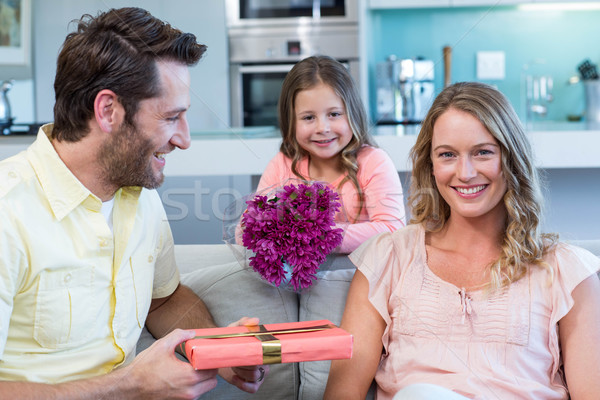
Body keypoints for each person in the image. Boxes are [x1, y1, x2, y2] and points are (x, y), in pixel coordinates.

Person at [0, 7, 268, 399]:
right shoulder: (10, 211)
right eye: (171, 117)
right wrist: (127, 385)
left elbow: (163, 300)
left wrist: (216, 350)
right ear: (108, 110)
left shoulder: (139, 195)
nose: (184, 139)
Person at [324, 82, 600, 400]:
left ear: (510, 160)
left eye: (482, 152)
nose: (465, 173)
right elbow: (342, 393)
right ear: (431, 166)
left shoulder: (567, 272)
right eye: (448, 155)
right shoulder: (388, 258)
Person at [256, 55, 405, 254]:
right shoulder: (282, 164)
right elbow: (248, 230)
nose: (323, 128)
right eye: (308, 117)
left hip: (366, 279)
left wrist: (312, 235)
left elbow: (392, 230)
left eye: (334, 114)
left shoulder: (373, 162)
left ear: (353, 113)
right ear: (290, 121)